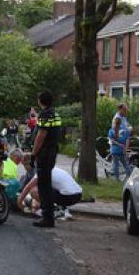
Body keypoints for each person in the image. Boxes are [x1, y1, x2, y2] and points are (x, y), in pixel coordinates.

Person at [31, 90, 62, 228]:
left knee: (43, 187)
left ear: (40, 101)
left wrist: (33, 153)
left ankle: (47, 217)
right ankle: (49, 215)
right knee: (46, 184)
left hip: (44, 153)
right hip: (52, 151)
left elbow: (41, 136)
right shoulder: (54, 114)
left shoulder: (44, 115)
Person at [17, 167, 82, 220]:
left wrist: (19, 202)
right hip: (78, 195)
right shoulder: (55, 169)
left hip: (68, 197)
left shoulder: (41, 171)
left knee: (33, 191)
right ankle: (61, 208)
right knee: (47, 188)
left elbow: (28, 187)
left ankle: (54, 210)